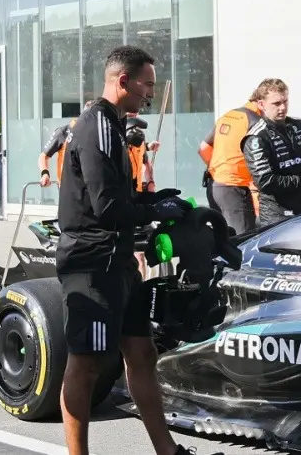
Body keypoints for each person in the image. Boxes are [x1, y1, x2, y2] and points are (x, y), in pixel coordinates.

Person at [55, 46, 217, 455]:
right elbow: (106, 207)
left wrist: (154, 199)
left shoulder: (114, 124)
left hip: (118, 261)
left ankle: (169, 452)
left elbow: (115, 197)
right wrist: (152, 209)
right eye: (146, 83)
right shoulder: (99, 125)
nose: (150, 92)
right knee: (87, 365)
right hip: (92, 264)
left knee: (142, 354)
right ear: (122, 81)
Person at [240, 78, 301, 227]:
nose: (283, 108)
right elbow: (265, 181)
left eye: (285, 101)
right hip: (276, 216)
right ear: (261, 104)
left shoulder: (299, 126)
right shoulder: (256, 137)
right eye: (276, 103)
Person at [198, 86, 266, 235]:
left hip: (214, 185)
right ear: (261, 103)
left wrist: (218, 168)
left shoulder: (229, 115)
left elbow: (203, 148)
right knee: (242, 242)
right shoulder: (256, 121)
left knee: (222, 238)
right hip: (235, 187)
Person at [39, 101, 94, 187]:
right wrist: (45, 174)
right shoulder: (63, 132)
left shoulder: (97, 135)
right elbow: (43, 156)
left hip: (89, 188)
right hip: (67, 188)